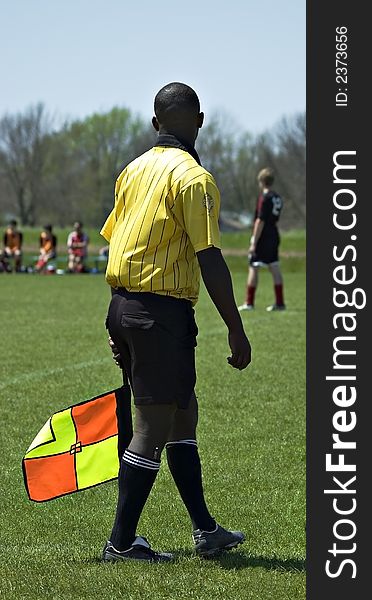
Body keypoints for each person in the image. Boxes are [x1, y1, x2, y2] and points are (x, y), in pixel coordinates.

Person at [100, 82, 252, 563]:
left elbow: (118, 241)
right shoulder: (193, 178)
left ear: (154, 123)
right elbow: (209, 258)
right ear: (200, 121)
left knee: (183, 411)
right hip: (159, 314)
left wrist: (121, 321)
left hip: (126, 306)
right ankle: (121, 543)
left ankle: (206, 530)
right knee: (152, 426)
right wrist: (236, 325)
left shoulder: (132, 170)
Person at [238, 168, 286, 312]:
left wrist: (254, 241)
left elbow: (260, 220)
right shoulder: (277, 197)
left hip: (263, 235)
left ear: (261, 182)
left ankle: (249, 302)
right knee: (274, 266)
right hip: (274, 233)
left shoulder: (264, 198)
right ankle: (280, 302)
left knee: (253, 266)